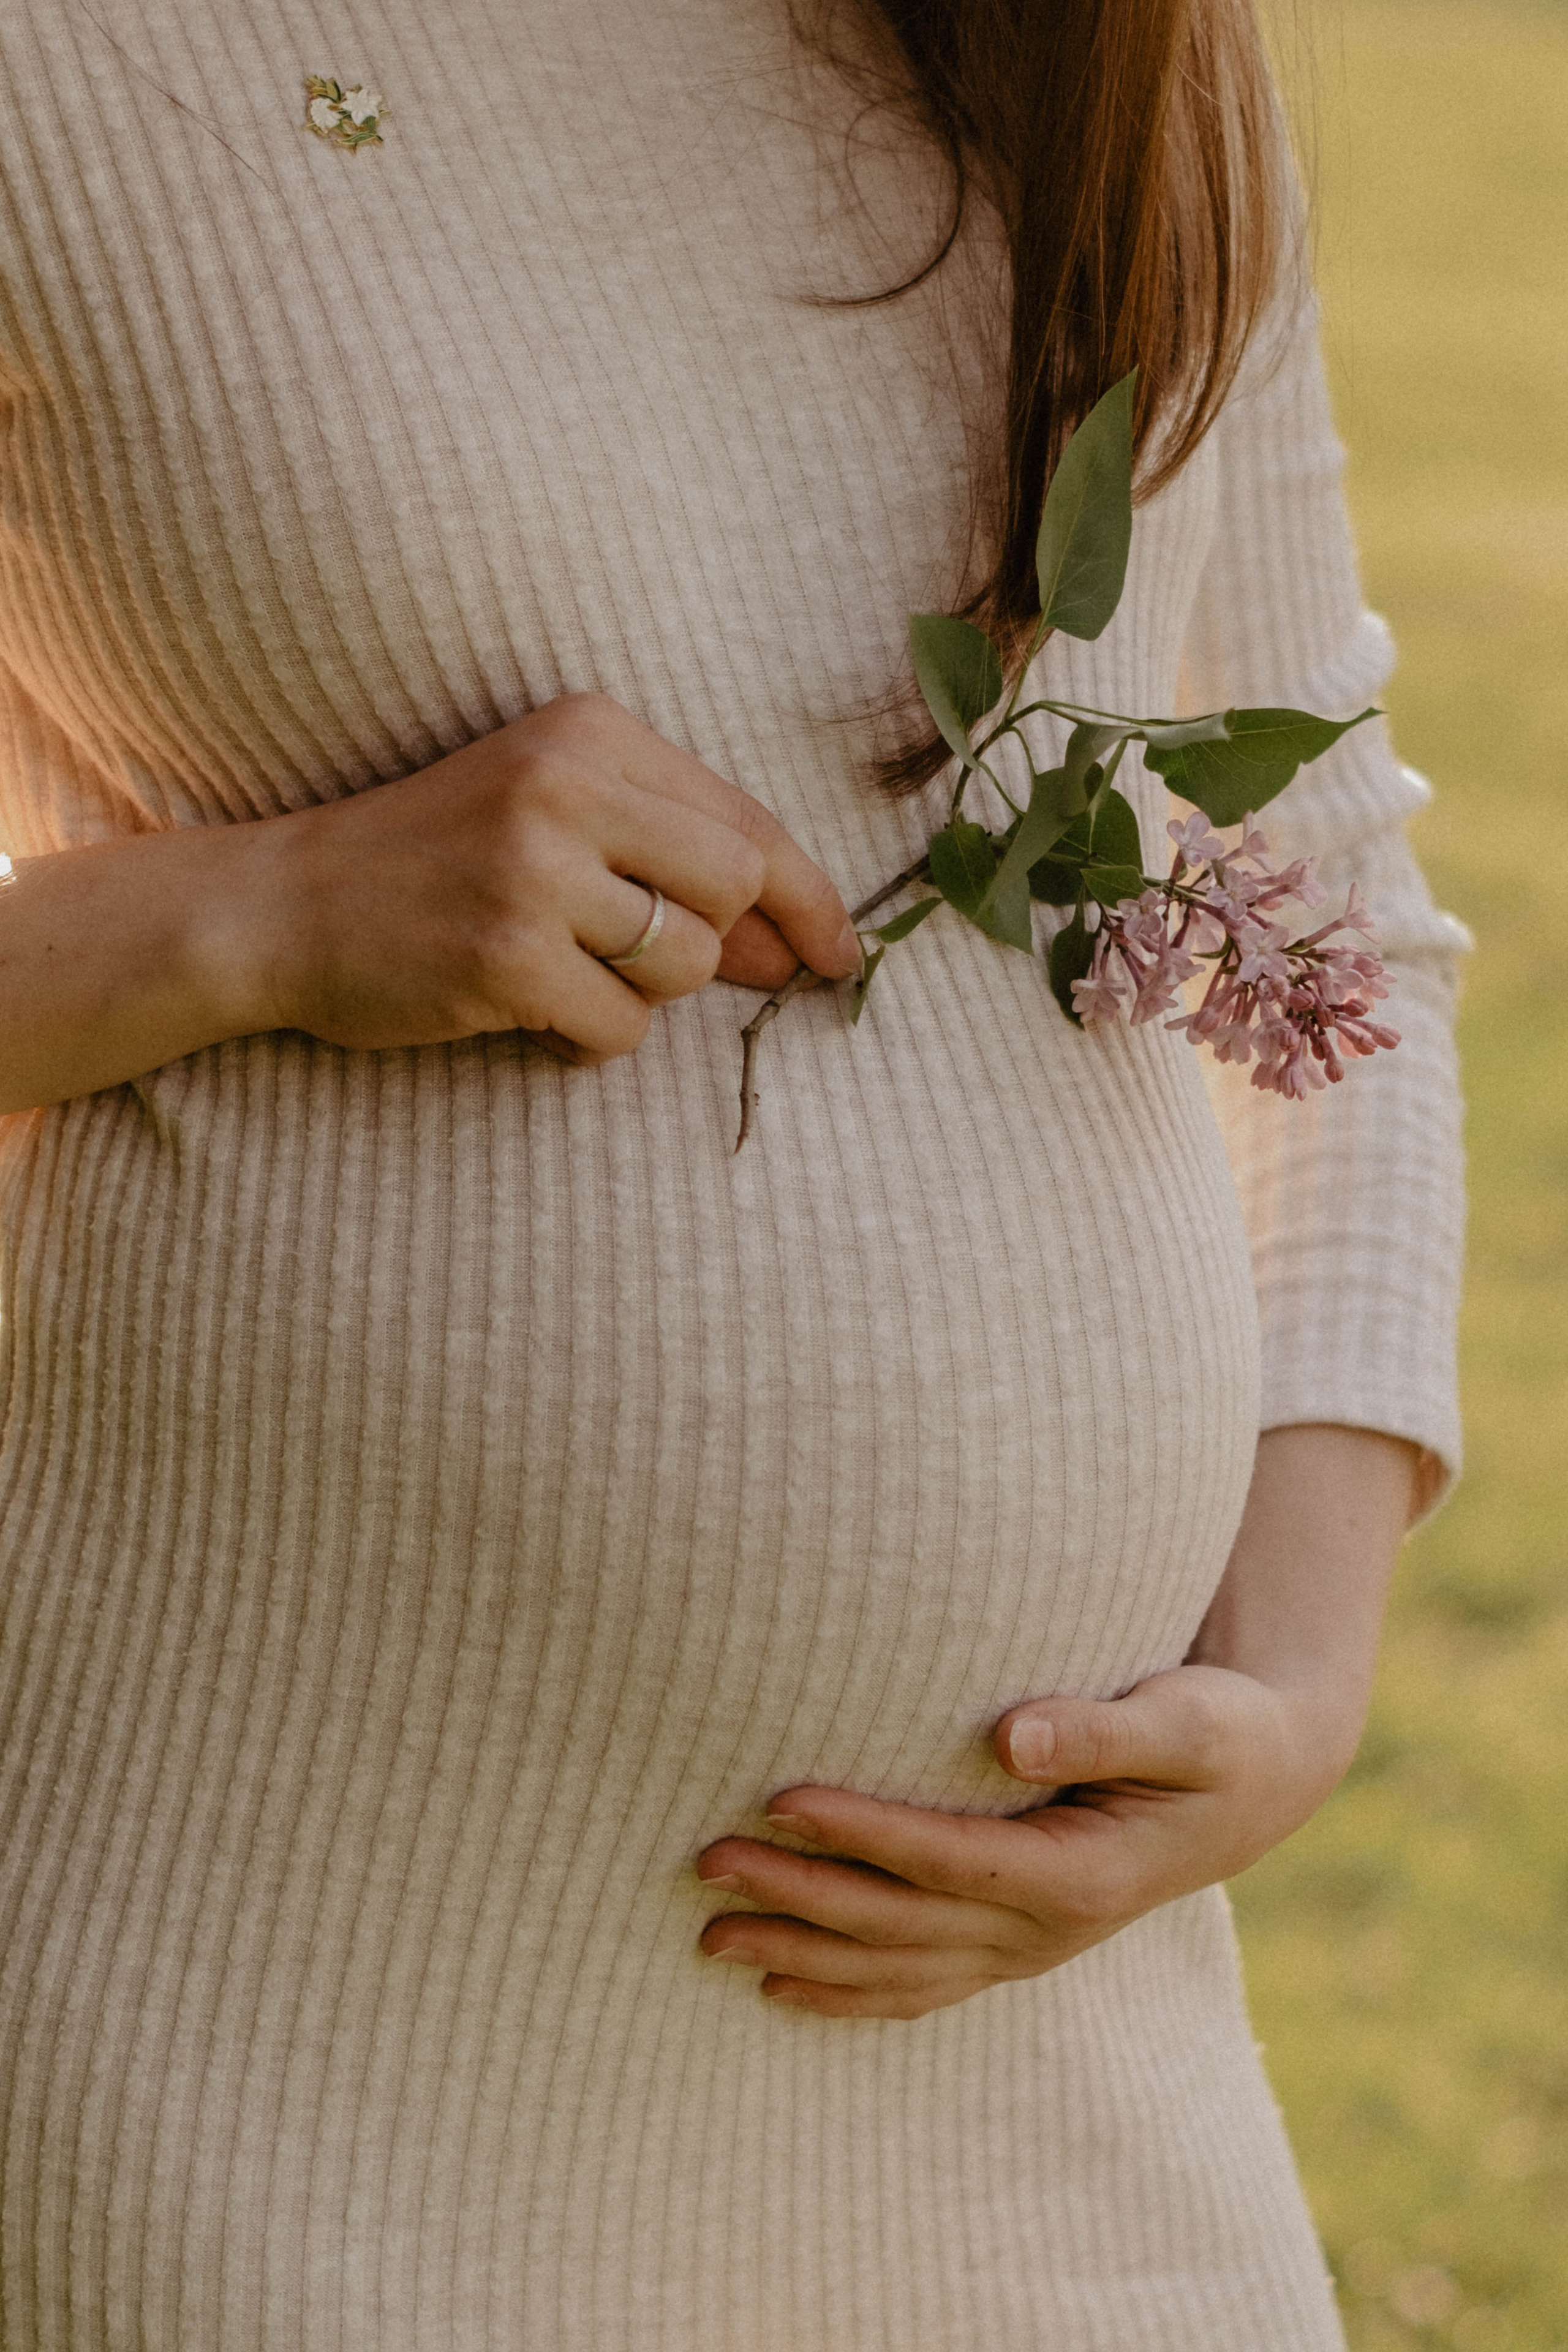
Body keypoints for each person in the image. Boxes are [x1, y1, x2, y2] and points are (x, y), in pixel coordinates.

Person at [0, 1, 1466, 2345]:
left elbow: (1316, 885)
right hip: (256, 2037)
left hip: (1048, 2072)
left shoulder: (1108, 41)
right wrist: (256, 915)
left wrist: (1295, 1668)